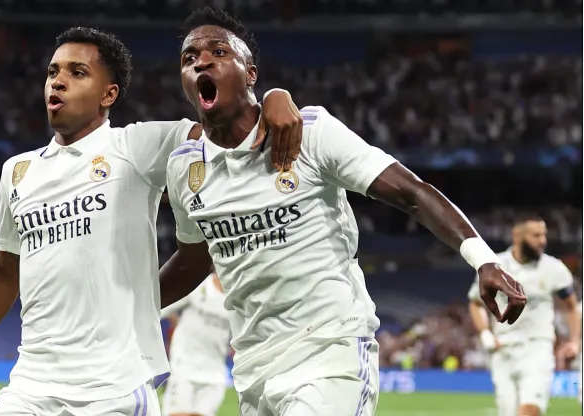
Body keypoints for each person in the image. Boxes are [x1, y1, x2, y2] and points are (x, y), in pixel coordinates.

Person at [159, 8, 528, 416]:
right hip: (254, 368)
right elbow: (193, 261)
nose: (201, 61)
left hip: (331, 353)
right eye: (189, 58)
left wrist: (483, 260)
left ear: (250, 73)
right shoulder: (185, 169)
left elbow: (411, 192)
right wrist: (119, 310)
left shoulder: (312, 133)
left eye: (218, 51)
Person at [0, 27, 303, 415]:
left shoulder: (136, 147)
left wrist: (274, 96)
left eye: (77, 72)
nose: (58, 81)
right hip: (31, 385)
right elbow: (5, 272)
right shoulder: (18, 172)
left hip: (115, 391)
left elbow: (225, 126)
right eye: (54, 71)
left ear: (109, 95)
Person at [468, 216, 581, 416]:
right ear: (517, 236)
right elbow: (476, 302)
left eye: (544, 235)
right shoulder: (495, 266)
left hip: (538, 348)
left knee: (529, 409)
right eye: (536, 235)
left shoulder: (553, 268)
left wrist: (574, 341)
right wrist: (485, 333)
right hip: (502, 350)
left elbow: (571, 306)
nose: (542, 241)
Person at [160, 272, 230, 416]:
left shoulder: (238, 296)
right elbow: (161, 308)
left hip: (214, 373)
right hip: (184, 367)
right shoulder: (198, 285)